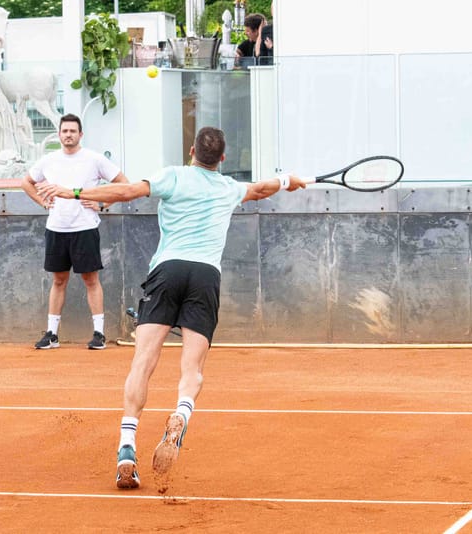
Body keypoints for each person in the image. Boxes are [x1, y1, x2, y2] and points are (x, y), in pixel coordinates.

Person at [35, 127, 309, 490]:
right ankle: (181, 413)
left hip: (167, 271)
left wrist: (74, 192)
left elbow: (126, 191)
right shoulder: (229, 188)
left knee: (143, 362)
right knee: (192, 368)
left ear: (192, 150)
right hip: (205, 276)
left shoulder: (173, 175)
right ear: (222, 159)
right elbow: (261, 189)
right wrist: (288, 179)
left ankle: (127, 449)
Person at [21, 113, 129, 351]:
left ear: (80, 134)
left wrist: (102, 204)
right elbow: (26, 182)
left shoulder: (94, 159)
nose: (68, 135)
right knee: (58, 280)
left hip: (85, 228)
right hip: (56, 228)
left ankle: (99, 333)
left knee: (91, 280)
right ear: (59, 135)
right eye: (64, 131)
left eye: (72, 131)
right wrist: (42, 202)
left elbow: (123, 184)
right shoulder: (48, 160)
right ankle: (52, 334)